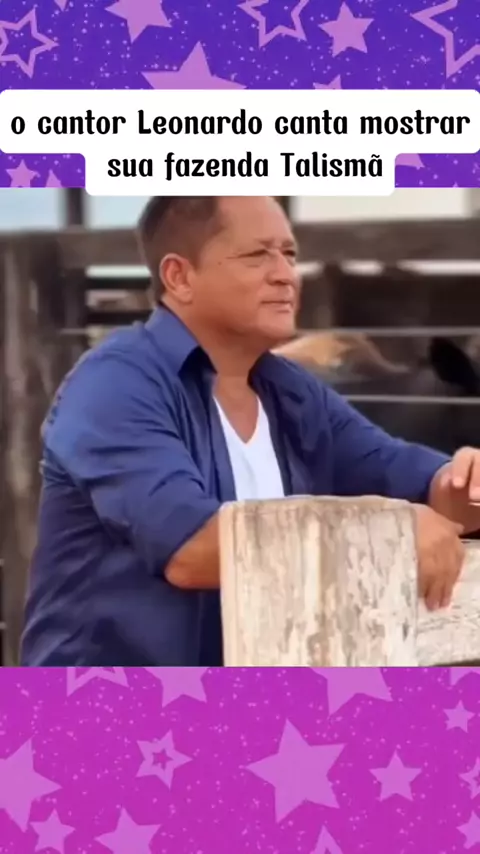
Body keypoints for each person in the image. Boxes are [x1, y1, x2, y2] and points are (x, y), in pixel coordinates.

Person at [20, 196, 480, 666]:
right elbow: (189, 549)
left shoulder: (290, 391)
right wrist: (387, 533)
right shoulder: (116, 383)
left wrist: (465, 483)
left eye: (289, 254)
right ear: (179, 277)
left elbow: (410, 479)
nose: (285, 275)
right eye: (257, 255)